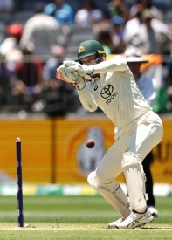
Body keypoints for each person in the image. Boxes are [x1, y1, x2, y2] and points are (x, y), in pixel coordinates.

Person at [56, 40, 163, 229]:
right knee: (98, 178)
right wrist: (79, 84)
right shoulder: (92, 84)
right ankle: (129, 214)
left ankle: (140, 212)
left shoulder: (117, 67)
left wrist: (85, 71)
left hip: (146, 122)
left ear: (101, 57)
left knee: (130, 159)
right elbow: (90, 107)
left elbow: (119, 62)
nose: (87, 64)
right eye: (83, 61)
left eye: (90, 60)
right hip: (125, 133)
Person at [122, 47, 159, 217]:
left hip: (143, 131)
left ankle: (150, 204)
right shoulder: (120, 82)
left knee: (144, 167)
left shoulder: (148, 83)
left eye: (136, 64)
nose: (133, 67)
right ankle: (133, 204)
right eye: (130, 64)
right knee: (128, 167)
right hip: (124, 131)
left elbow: (146, 106)